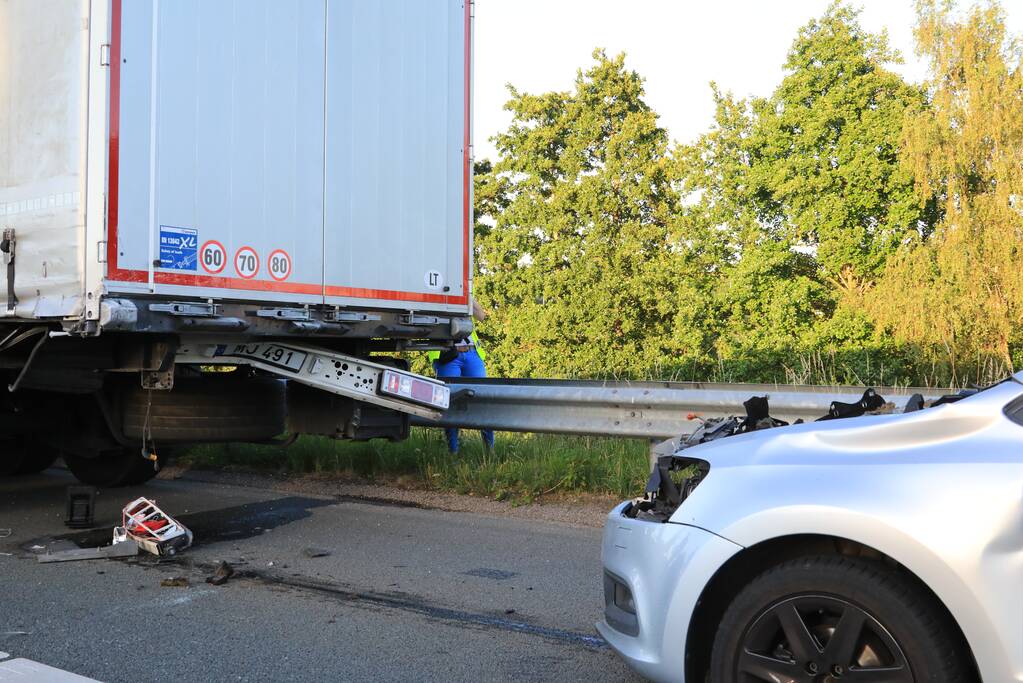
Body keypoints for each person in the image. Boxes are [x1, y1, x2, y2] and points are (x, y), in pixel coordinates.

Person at [428, 300, 495, 454]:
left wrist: (469, 298)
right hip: (447, 354)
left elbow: (481, 316)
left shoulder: (465, 293)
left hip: (472, 353)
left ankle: (490, 451)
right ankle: (453, 452)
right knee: (449, 401)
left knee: (483, 398)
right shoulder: (435, 293)